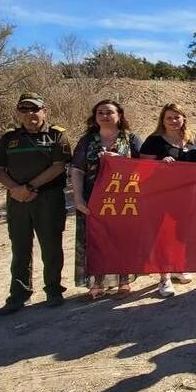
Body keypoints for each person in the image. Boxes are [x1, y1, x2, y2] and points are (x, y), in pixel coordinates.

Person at [0, 93, 72, 313]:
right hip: (17, 199)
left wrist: (30, 187)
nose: (30, 114)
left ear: (44, 111)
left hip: (48, 198)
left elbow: (58, 165)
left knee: (51, 247)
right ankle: (19, 294)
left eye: (34, 109)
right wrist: (15, 189)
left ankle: (54, 289)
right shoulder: (9, 138)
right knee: (20, 247)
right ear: (19, 113)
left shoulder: (57, 135)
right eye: (24, 110)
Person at [70, 99, 142, 299]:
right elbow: (76, 170)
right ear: (95, 117)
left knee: (122, 239)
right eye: (100, 112)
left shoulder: (131, 139)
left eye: (109, 112)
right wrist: (78, 198)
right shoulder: (86, 141)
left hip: (124, 200)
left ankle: (124, 280)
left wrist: (122, 162)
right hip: (92, 200)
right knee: (94, 240)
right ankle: (96, 284)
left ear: (119, 116)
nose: (104, 116)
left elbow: (145, 167)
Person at [139, 103, 196, 297]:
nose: (174, 121)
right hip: (161, 196)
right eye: (169, 118)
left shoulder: (193, 138)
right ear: (162, 120)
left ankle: (177, 267)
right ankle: (164, 277)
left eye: (177, 117)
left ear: (184, 118)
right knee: (162, 236)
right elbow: (142, 169)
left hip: (187, 196)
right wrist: (160, 165)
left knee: (182, 234)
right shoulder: (154, 140)